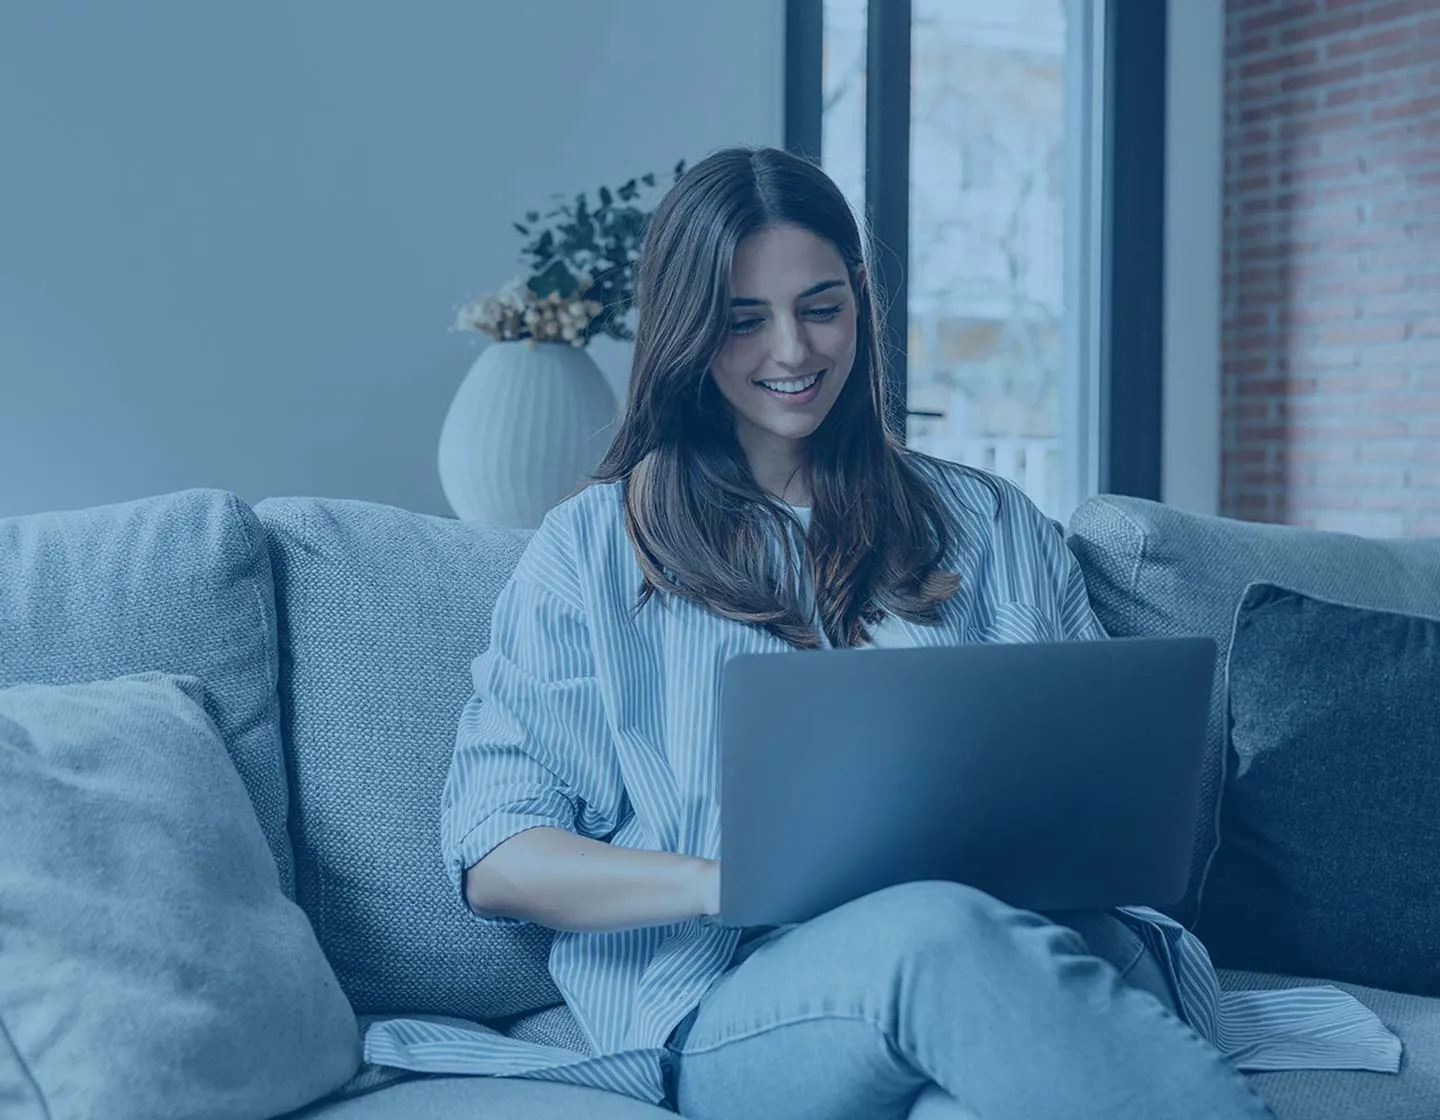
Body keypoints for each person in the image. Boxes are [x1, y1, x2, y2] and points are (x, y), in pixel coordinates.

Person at [366, 147, 1398, 1119]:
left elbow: (1108, 788)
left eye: (822, 307)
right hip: (746, 999)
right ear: (682, 332)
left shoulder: (988, 522)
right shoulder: (589, 551)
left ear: (862, 297)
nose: (793, 350)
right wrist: (731, 880)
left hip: (1041, 943)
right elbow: (501, 856)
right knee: (935, 932)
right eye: (744, 320)